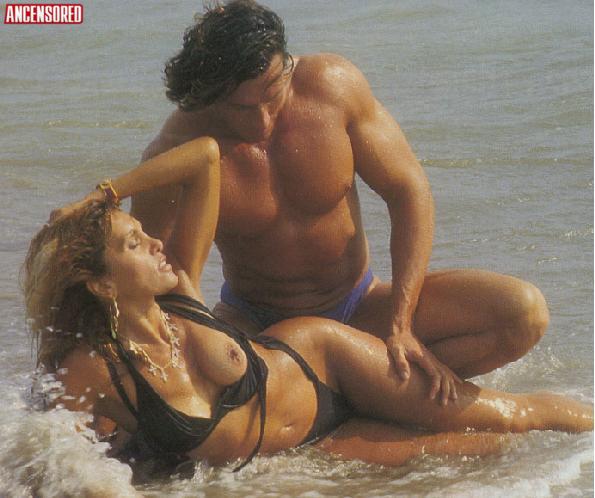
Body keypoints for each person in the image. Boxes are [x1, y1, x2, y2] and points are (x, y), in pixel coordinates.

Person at [25, 138, 592, 476]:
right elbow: (53, 457)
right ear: (101, 286)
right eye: (133, 243)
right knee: (480, 454)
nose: (154, 242)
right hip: (307, 446)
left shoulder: (182, 296)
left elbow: (204, 157)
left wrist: (104, 194)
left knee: (511, 418)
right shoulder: (95, 367)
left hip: (325, 361)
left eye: (143, 232)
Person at [131, 0, 550, 405]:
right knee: (190, 394)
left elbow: (408, 191)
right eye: (241, 108)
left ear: (287, 63)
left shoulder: (332, 87)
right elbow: (147, 276)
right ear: (210, 96)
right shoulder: (178, 148)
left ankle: (348, 391)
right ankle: (375, 392)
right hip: (259, 329)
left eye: (272, 93)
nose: (262, 120)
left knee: (521, 313)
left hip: (361, 306)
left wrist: (400, 324)